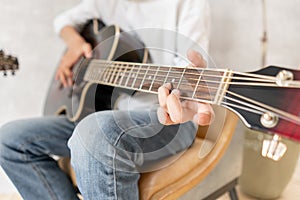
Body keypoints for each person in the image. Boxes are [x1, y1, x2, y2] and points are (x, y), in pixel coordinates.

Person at [0, 0, 214, 199]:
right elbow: (63, 22)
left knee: (92, 133)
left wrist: (183, 85)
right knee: (10, 140)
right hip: (99, 114)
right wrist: (75, 44)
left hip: (168, 119)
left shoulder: (189, 4)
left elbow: (189, 71)